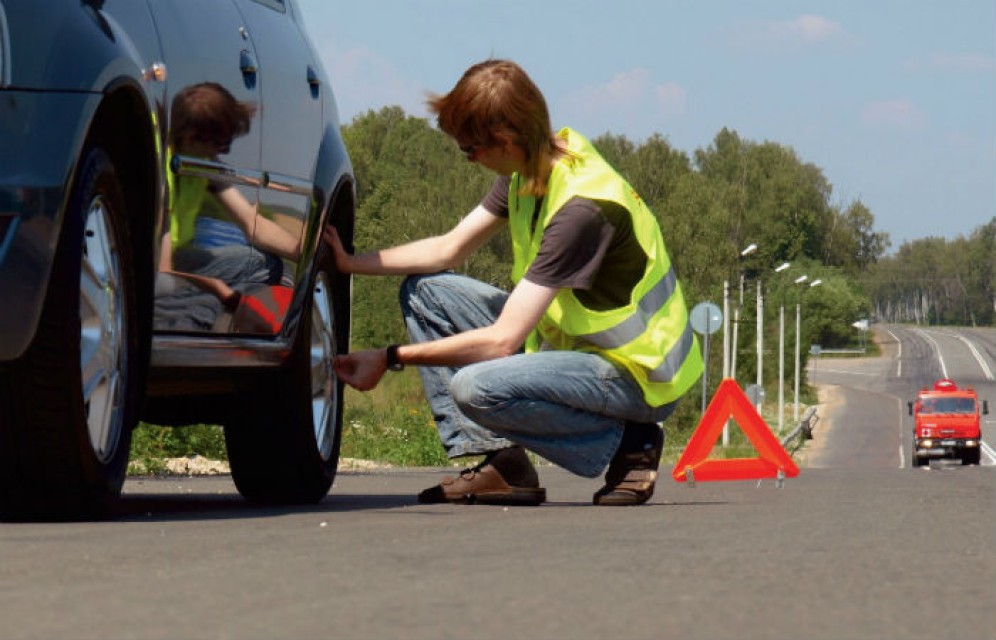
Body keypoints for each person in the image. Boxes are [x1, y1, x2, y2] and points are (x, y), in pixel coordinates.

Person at [325, 60, 702, 506]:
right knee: (427, 292)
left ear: (503, 141)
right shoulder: (532, 167)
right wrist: (351, 263)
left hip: (636, 377)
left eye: (470, 149)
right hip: (575, 353)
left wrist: (389, 358)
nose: (469, 161)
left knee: (475, 387)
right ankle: (505, 467)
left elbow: (503, 341)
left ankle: (630, 444)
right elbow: (448, 249)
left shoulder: (582, 210)